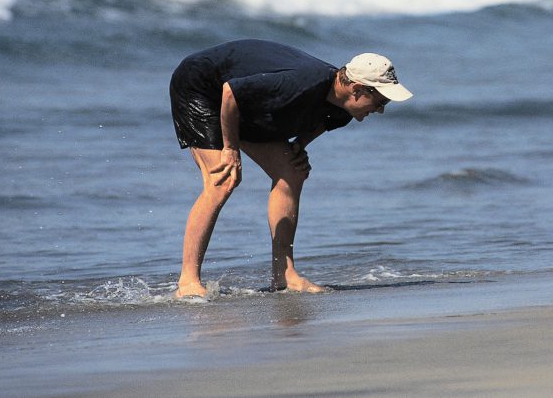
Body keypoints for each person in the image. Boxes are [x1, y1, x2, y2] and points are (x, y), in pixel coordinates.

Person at [168, 39, 412, 297]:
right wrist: (230, 149)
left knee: (292, 171)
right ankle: (188, 281)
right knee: (223, 179)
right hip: (202, 86)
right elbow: (231, 92)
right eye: (380, 101)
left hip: (244, 105)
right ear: (356, 89)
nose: (381, 110)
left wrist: (299, 146)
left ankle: (284, 275)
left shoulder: (344, 108)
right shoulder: (302, 82)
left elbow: (320, 122)